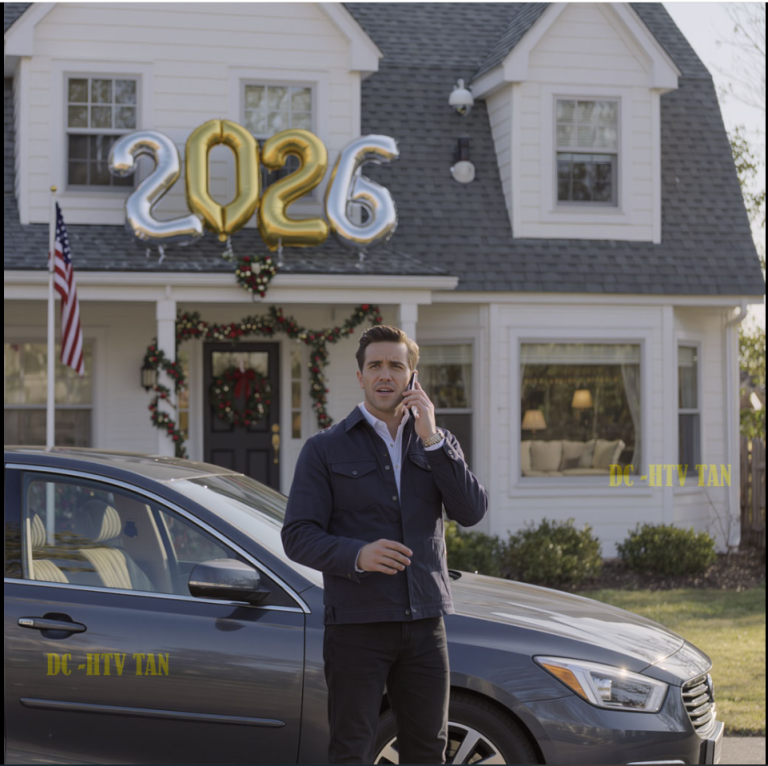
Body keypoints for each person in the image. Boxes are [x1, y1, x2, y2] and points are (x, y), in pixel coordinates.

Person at [281, 325, 488, 764]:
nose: (384, 374)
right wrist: (358, 555)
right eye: (375, 365)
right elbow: (297, 535)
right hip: (357, 625)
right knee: (352, 749)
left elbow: (470, 512)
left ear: (413, 377)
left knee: (428, 750)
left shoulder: (437, 443)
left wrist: (432, 436)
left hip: (424, 625)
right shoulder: (325, 449)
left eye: (396, 365)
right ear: (360, 376)